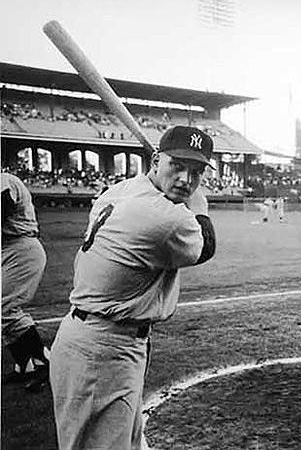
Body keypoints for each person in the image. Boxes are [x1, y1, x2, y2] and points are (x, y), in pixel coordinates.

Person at [50, 126, 217, 450]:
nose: (186, 179)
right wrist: (199, 206)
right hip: (104, 350)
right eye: (177, 166)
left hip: (93, 338)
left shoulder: (120, 190)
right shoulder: (164, 218)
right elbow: (205, 246)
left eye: (196, 172)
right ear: (156, 160)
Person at [1, 172, 51, 393]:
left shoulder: (3, 179)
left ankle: (45, 362)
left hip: (21, 249)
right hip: (8, 249)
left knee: (4, 308)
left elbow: (3, 205)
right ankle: (24, 365)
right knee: (5, 310)